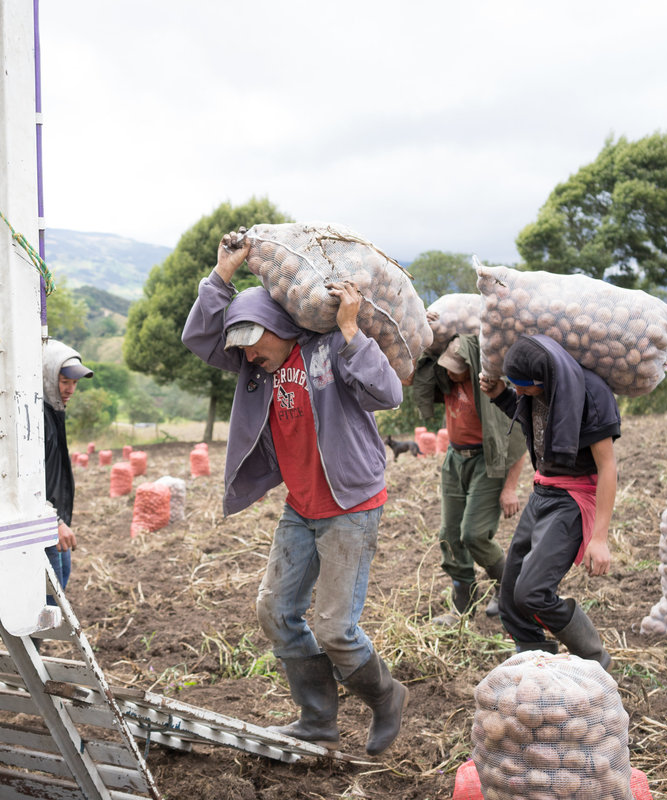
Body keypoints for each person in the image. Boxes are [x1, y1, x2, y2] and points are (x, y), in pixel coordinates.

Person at [181, 230, 407, 756]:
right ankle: (317, 720)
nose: (247, 354)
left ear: (280, 328)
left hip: (350, 504)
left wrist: (351, 331)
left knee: (334, 627)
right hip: (301, 507)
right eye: (241, 347)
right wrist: (221, 277)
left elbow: (388, 393)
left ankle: (385, 695)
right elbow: (201, 338)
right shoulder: (252, 370)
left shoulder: (329, 351)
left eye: (254, 342)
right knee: (275, 610)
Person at [478, 334, 620, 668]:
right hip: (542, 492)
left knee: (532, 592)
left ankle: (595, 660)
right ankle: (535, 669)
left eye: (525, 387)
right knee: (511, 598)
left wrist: (599, 539)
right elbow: (539, 424)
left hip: (572, 499)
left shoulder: (590, 394)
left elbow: (608, 466)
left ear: (546, 378)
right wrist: (501, 395)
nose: (521, 392)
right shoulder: (539, 389)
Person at [412, 333, 528, 621]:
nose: (450, 372)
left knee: (473, 534)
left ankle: (507, 588)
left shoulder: (488, 390)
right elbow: (409, 379)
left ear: (472, 364)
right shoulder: (445, 381)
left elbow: (518, 440)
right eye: (447, 366)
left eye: (456, 367)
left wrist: (510, 489)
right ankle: (463, 602)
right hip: (455, 460)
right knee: (449, 536)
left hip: (486, 462)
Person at [41, 339, 93, 595]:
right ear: (47, 377)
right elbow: (32, 481)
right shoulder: (37, 420)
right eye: (65, 381)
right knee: (47, 602)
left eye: (74, 383)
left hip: (54, 521)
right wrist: (55, 520)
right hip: (45, 523)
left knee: (58, 592)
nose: (71, 389)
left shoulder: (53, 412)